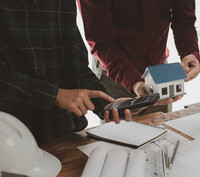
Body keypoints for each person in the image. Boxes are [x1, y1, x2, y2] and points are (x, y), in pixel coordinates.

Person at [0, 0, 141, 144]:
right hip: (12, 137)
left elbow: (75, 63)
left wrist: (105, 104)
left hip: (65, 130)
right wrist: (54, 95)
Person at [77, 0, 200, 112]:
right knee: (119, 135)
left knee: (162, 132)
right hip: (114, 71)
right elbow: (101, 42)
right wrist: (134, 82)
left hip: (159, 69)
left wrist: (190, 52)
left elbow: (184, 21)